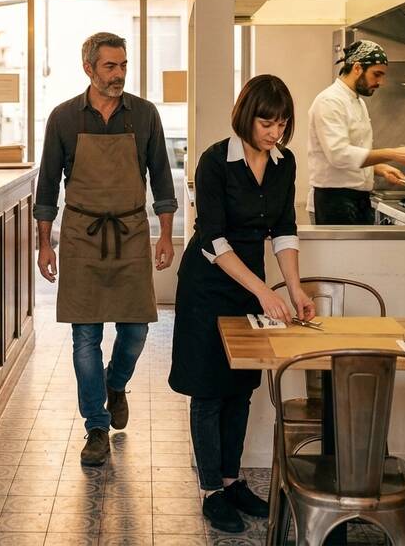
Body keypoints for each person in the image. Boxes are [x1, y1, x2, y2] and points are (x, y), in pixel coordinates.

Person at [169, 74, 315, 534]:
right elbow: (212, 239)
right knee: (209, 389)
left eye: (282, 123)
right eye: (267, 122)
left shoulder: (283, 162)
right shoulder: (215, 161)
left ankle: (233, 481)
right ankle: (211, 489)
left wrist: (294, 288)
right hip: (210, 285)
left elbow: (284, 229)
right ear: (246, 117)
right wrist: (264, 291)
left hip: (252, 283)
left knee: (241, 387)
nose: (275, 132)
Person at [36, 32, 177, 466]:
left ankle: (116, 384)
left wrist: (166, 234)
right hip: (81, 232)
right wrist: (45, 244)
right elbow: (46, 187)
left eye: (123, 66)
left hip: (131, 230)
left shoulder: (145, 115)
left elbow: (162, 179)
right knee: (85, 337)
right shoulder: (63, 118)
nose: (118, 74)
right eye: (110, 67)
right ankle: (96, 426)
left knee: (136, 330)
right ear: (89, 69)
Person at [308, 39, 405, 225]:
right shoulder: (329, 101)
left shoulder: (359, 102)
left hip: (358, 199)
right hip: (334, 201)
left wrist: (379, 169)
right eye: (376, 74)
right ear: (357, 68)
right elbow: (339, 155)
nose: (381, 82)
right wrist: (392, 154)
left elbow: (353, 154)